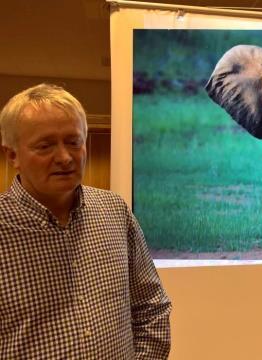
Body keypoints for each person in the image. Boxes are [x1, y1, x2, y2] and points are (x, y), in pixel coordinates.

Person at [0, 84, 172, 358]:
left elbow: (151, 306)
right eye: (45, 146)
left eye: (74, 142)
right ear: (12, 155)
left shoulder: (114, 211)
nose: (65, 157)